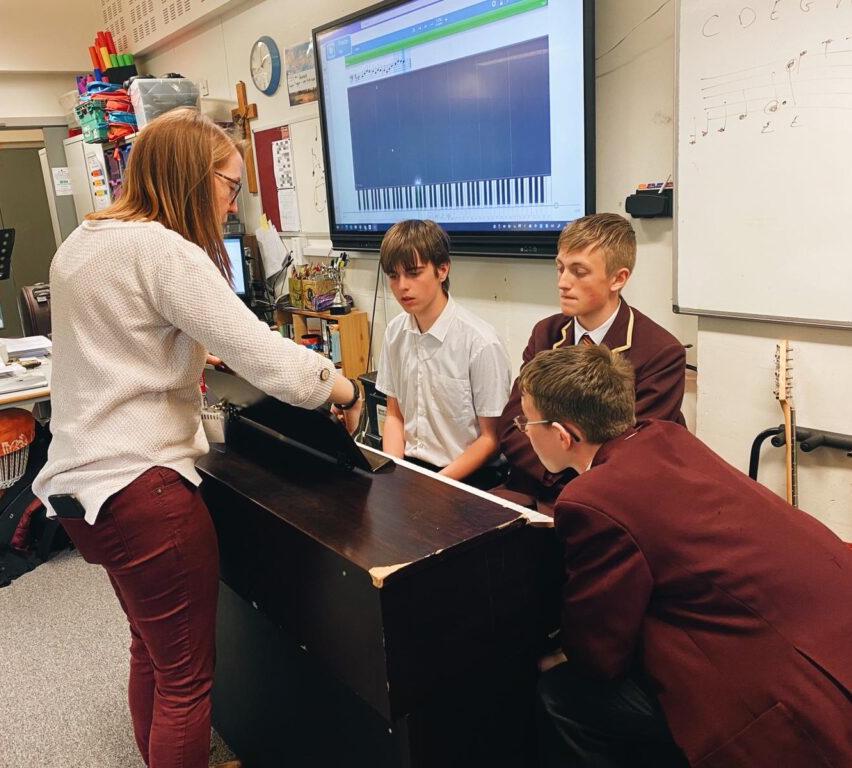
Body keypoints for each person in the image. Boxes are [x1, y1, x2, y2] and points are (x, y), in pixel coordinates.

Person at [32, 108, 362, 768]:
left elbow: (117, 341)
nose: (232, 205)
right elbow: (268, 358)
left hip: (80, 493)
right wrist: (341, 386)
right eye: (231, 185)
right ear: (194, 176)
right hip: (142, 489)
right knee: (187, 684)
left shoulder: (83, 242)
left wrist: (184, 354)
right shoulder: (165, 250)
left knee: (150, 651)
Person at [516, 344, 852, 768]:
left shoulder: (591, 499)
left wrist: (555, 656)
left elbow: (599, 651)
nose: (524, 430)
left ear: (563, 435)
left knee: (563, 694)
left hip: (800, 697)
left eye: (526, 421)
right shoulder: (666, 436)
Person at [497, 213, 686, 511]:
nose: (563, 283)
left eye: (579, 272)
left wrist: (568, 480)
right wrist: (555, 470)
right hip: (534, 486)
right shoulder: (546, 333)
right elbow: (513, 426)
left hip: (608, 502)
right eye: (560, 268)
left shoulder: (660, 352)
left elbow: (631, 453)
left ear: (618, 278)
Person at [376, 219, 511, 489]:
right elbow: (394, 415)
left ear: (442, 270)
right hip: (413, 469)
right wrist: (393, 474)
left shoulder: (481, 342)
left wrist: (436, 484)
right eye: (393, 275)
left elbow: (491, 439)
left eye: (413, 273)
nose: (402, 286)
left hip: (468, 477)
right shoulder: (394, 332)